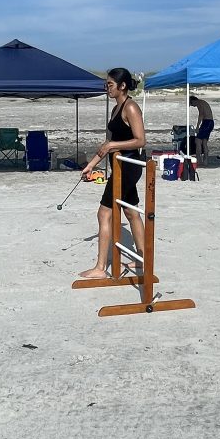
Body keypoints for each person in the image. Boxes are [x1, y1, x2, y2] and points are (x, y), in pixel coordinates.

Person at [79, 68, 146, 280]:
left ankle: (100, 268)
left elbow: (140, 140)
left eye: (109, 84)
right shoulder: (115, 109)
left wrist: (113, 145)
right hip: (117, 165)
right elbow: (106, 144)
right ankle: (143, 258)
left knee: (104, 213)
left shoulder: (131, 108)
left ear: (122, 86)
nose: (106, 88)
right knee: (131, 213)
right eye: (106, 84)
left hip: (128, 166)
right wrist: (91, 165)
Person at [189, 95, 214, 166]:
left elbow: (201, 115)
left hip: (207, 122)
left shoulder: (199, 103)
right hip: (210, 122)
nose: (192, 106)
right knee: (204, 142)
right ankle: (205, 160)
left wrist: (197, 127)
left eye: (191, 104)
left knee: (197, 140)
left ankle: (199, 160)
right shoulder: (203, 102)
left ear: (193, 100)